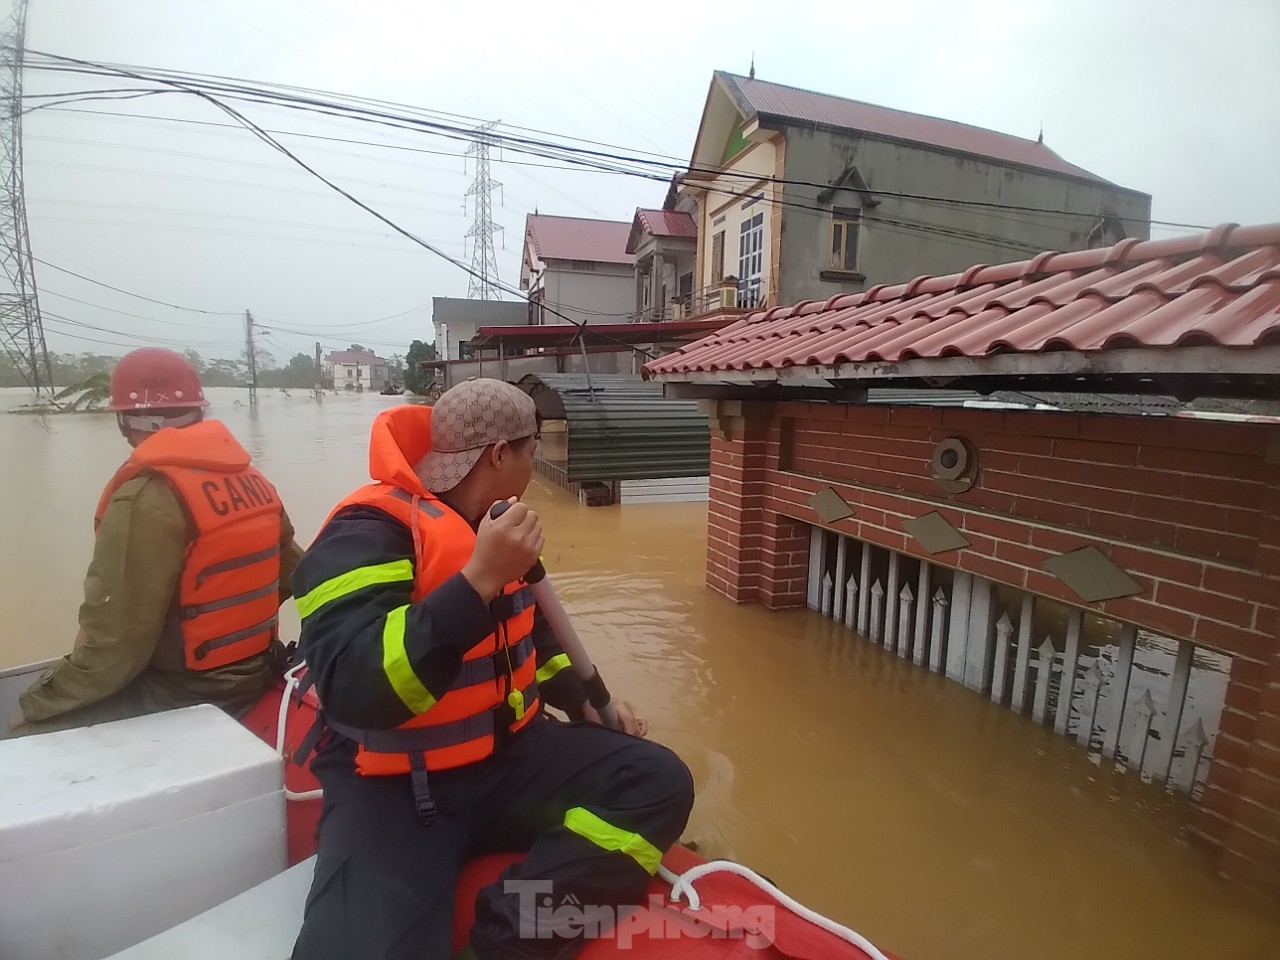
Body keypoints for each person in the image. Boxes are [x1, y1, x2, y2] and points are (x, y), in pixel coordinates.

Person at [288, 377, 694, 960]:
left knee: (658, 781)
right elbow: (356, 685)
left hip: (508, 758)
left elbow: (532, 629)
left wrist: (579, 699)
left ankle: (510, 934)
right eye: (534, 448)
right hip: (397, 785)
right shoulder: (364, 532)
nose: (538, 462)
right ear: (501, 454)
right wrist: (475, 582)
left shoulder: (497, 523)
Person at [6, 348, 303, 737]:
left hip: (186, 690)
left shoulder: (146, 497)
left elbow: (115, 645)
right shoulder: (253, 481)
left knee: (20, 735)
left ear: (126, 421)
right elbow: (294, 573)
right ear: (199, 413)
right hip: (257, 671)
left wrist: (36, 703)